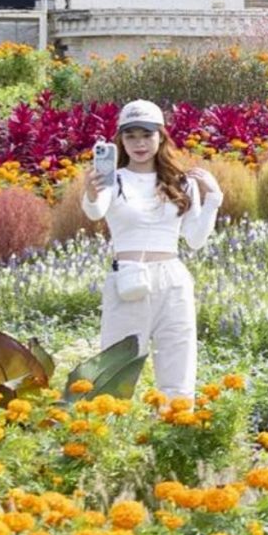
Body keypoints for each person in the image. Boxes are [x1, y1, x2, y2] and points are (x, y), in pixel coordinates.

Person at [78, 100, 221, 399]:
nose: (139, 143)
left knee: (178, 365)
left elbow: (195, 239)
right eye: (131, 136)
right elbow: (95, 211)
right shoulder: (112, 180)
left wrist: (214, 200)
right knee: (116, 368)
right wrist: (92, 192)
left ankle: (177, 435)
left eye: (147, 135)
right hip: (127, 279)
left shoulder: (181, 183)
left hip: (173, 279)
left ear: (161, 137)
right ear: (121, 140)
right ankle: (111, 439)